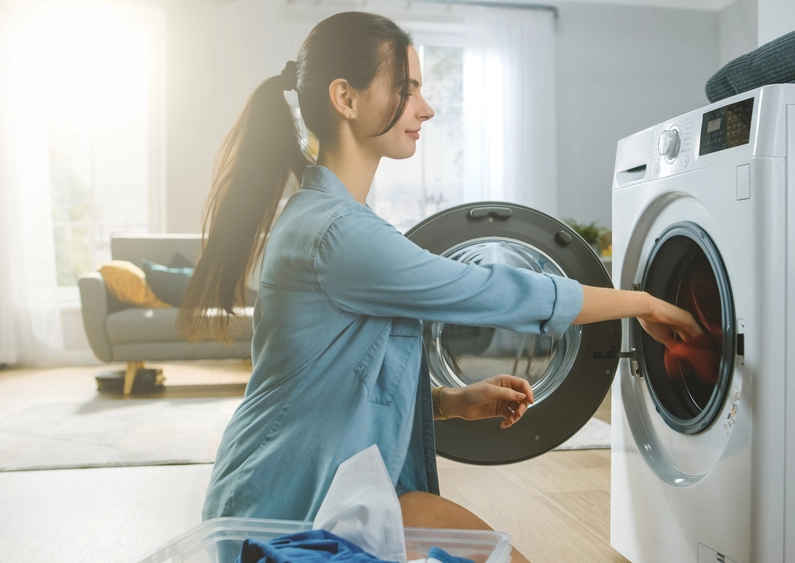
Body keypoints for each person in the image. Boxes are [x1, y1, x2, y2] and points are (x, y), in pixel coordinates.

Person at [180, 11, 702, 563]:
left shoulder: (329, 220)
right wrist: (640, 301)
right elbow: (491, 290)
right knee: (460, 536)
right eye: (407, 90)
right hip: (281, 512)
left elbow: (339, 386)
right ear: (346, 98)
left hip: (297, 494)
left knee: (441, 527)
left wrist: (450, 402)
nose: (425, 108)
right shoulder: (337, 234)